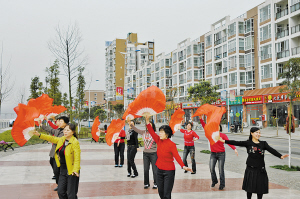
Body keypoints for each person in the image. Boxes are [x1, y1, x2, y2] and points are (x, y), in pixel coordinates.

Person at [219, 127, 289, 199]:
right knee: (249, 188)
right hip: (250, 169)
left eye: (259, 132)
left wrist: (280, 156)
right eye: (256, 132)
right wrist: (224, 141)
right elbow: (237, 142)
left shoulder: (263, 143)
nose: (258, 134)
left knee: (260, 188)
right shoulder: (248, 143)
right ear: (251, 133)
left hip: (260, 169)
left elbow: (271, 150)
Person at [145, 115, 192, 199]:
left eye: (162, 132)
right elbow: (151, 132)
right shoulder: (158, 141)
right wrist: (147, 121)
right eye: (159, 132)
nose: (159, 133)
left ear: (167, 134)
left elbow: (177, 156)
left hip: (169, 172)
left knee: (167, 194)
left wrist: (183, 166)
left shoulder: (172, 145)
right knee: (161, 192)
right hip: (159, 170)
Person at [34, 123, 81, 199]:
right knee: (61, 192)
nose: (65, 132)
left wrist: (75, 170)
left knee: (71, 195)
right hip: (62, 169)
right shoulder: (62, 139)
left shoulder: (75, 142)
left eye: (68, 130)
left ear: (72, 132)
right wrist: (39, 134)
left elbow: (77, 158)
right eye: (64, 130)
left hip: (72, 171)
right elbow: (51, 138)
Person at [200, 118, 238, 190]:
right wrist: (201, 119)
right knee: (211, 168)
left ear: (220, 128)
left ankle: (222, 184)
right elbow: (205, 127)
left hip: (221, 154)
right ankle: (214, 181)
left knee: (221, 169)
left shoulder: (223, 135)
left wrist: (234, 149)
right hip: (213, 154)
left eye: (218, 126)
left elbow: (228, 142)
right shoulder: (210, 134)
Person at [41, 116, 69, 191]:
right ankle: (59, 184)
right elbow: (50, 130)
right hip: (53, 152)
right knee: (53, 166)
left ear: (66, 123)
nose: (58, 122)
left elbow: (57, 140)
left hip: (59, 154)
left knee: (57, 170)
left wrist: (49, 139)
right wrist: (41, 125)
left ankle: (61, 185)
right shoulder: (58, 129)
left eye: (61, 121)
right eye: (58, 121)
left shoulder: (65, 131)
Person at [130, 119, 158, 189]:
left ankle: (156, 183)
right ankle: (146, 183)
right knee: (146, 169)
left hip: (153, 154)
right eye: (147, 125)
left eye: (150, 125)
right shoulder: (143, 132)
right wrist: (130, 124)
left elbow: (160, 143)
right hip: (145, 154)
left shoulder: (155, 134)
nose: (148, 127)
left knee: (155, 169)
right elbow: (136, 129)